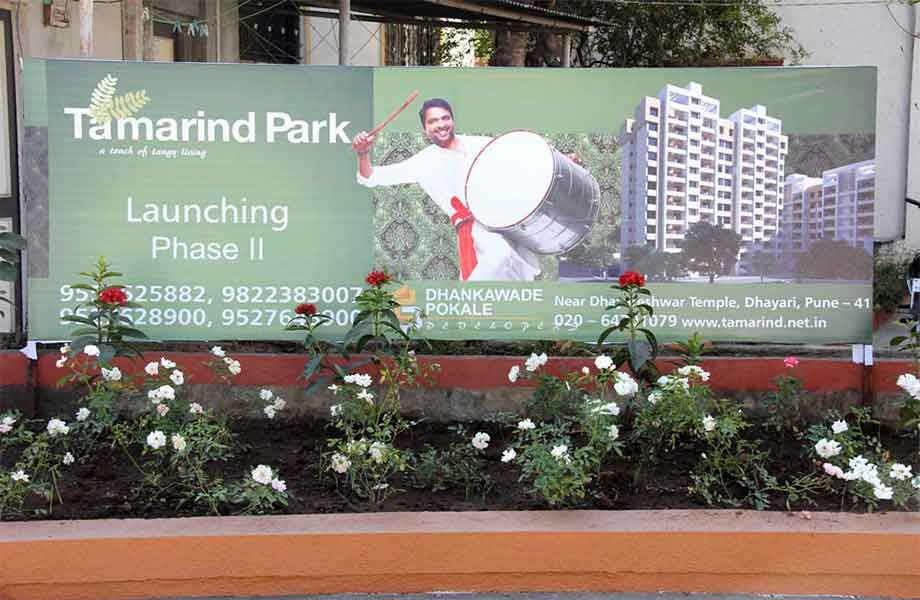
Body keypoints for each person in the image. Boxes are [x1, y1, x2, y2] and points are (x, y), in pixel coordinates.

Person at [352, 98, 540, 281]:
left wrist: (543, 150)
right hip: (476, 232)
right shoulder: (424, 162)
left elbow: (517, 159)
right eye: (433, 121)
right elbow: (370, 177)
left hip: (505, 223)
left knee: (515, 280)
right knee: (496, 257)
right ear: (425, 128)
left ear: (452, 120)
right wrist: (362, 152)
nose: (441, 124)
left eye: (445, 118)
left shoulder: (481, 144)